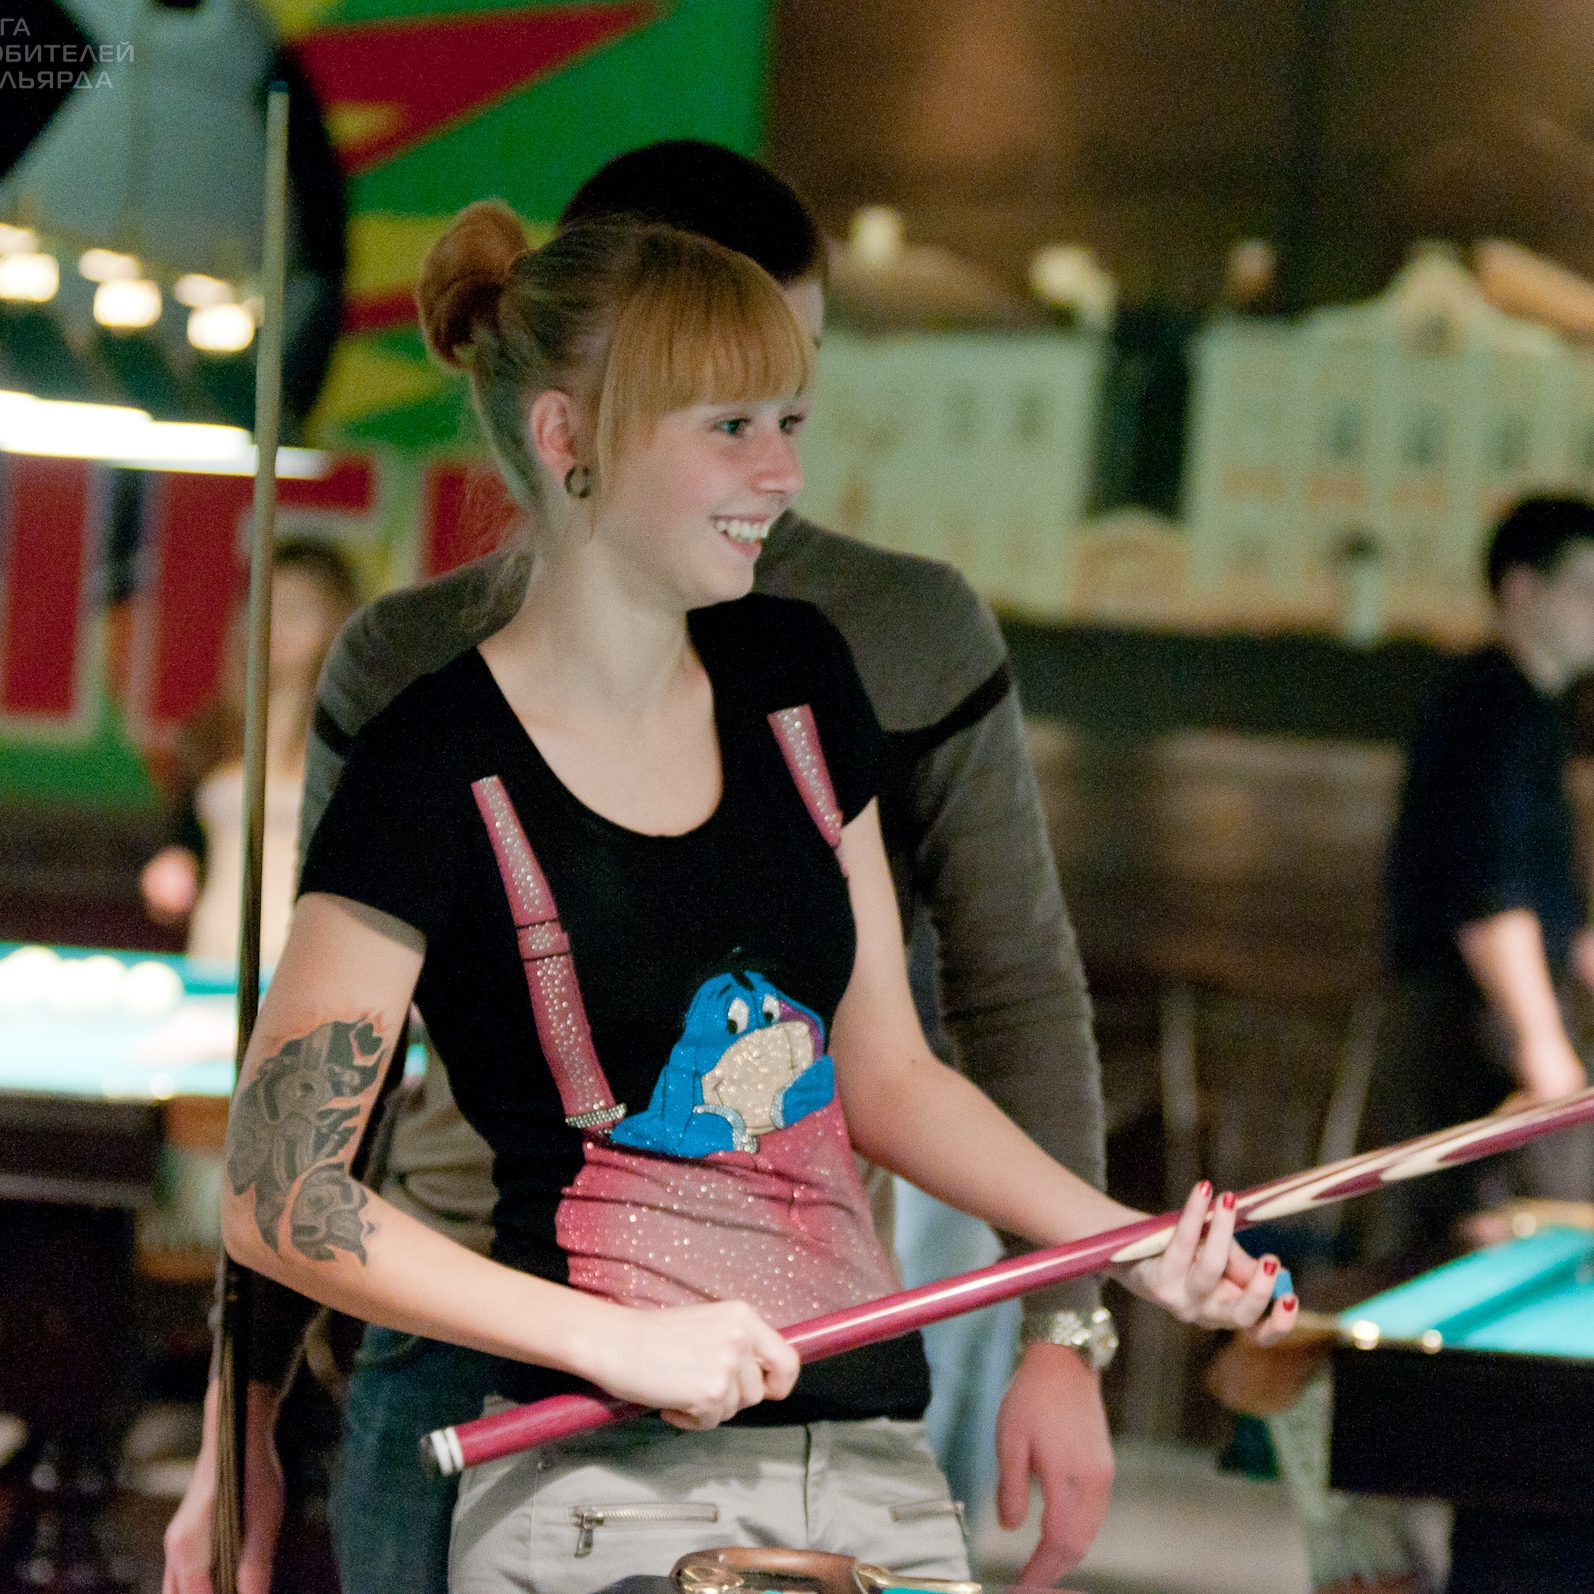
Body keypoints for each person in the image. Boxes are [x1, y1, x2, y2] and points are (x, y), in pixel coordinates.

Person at [201, 203, 1295, 1594]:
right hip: (597, 1488)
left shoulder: (798, 677)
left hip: (877, 1466)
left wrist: (1124, 1249)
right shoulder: (429, 759)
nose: (783, 473)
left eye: (791, 422)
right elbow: (275, 1186)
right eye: (731, 428)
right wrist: (611, 1339)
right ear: (567, 434)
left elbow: (888, 1077)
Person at [1377, 495, 1594, 1242]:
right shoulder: (1497, 710)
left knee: (1511, 1237)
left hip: (1484, 1015)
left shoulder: (1513, 704)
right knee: (1507, 1242)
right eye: (1591, 591)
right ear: (1522, 590)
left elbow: (1500, 877)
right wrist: (1541, 1040)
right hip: (1474, 1028)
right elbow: (1487, 897)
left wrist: (1581, 948)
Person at [141, 540, 364, 965]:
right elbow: (183, 842)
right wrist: (172, 867)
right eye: (264, 606)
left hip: (316, 969)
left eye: (298, 610)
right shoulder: (210, 730)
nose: (276, 624)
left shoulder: (359, 738)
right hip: (214, 958)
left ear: (337, 621)